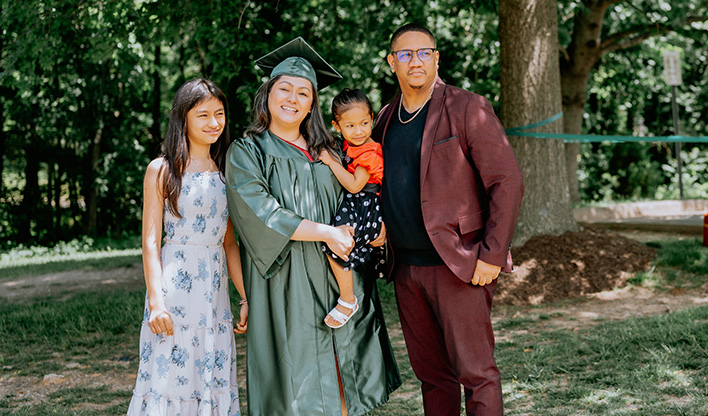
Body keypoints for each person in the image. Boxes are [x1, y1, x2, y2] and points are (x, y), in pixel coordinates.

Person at [371, 23, 524, 415]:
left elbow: (507, 181)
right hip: (405, 269)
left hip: (459, 266)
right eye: (405, 55)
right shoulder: (385, 118)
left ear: (437, 57)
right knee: (433, 378)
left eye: (424, 52)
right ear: (392, 63)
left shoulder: (466, 107)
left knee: (477, 374)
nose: (415, 61)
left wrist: (491, 255)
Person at [127, 78, 248, 416]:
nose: (214, 123)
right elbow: (150, 242)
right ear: (183, 119)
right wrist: (156, 303)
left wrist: (245, 294)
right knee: (170, 375)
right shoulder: (162, 170)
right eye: (203, 115)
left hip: (214, 292)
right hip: (174, 290)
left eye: (219, 114)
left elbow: (229, 242)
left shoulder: (227, 170)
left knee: (210, 374)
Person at [319, 88, 385, 329]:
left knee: (335, 244)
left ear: (372, 118)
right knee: (338, 245)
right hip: (358, 205)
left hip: (363, 204)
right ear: (337, 126)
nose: (358, 131)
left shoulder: (368, 150)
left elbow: (355, 185)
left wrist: (331, 163)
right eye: (350, 126)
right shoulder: (350, 146)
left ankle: (348, 299)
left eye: (364, 123)